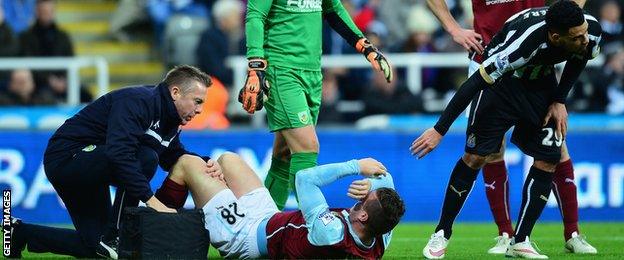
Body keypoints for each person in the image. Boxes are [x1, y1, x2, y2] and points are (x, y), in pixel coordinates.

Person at [411, 1, 601, 258]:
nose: (584, 39)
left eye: (584, 33)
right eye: (578, 36)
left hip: (539, 83)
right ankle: (442, 232)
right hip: (500, 86)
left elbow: (580, 58)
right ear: (556, 36)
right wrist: (439, 129)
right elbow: (475, 81)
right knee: (476, 157)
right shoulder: (521, 47)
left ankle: (521, 241)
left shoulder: (591, 32)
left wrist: (559, 99)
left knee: (549, 156)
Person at [8, 65, 221, 259]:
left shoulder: (169, 119)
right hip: (66, 158)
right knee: (144, 156)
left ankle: (20, 233)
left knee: (95, 248)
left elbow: (172, 155)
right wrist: (153, 202)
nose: (200, 109)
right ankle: (117, 234)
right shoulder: (139, 101)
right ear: (175, 92)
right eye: (198, 101)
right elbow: (120, 154)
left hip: (90, 167)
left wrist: (206, 162)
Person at [240, 0, 393, 210]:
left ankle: (261, 221)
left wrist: (365, 47)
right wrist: (255, 67)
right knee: (307, 147)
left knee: (284, 153)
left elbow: (334, 10)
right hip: (282, 71)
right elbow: (255, 16)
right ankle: (311, 226)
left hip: (312, 73)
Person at [157, 151, 404, 259]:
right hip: (269, 217)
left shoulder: (331, 233)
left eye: (362, 203)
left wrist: (355, 167)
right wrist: (373, 186)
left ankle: (156, 231)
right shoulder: (381, 236)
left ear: (362, 218)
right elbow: (387, 183)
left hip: (245, 237)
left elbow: (304, 179)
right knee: (228, 160)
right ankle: (214, 197)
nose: (357, 201)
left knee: (188, 163)